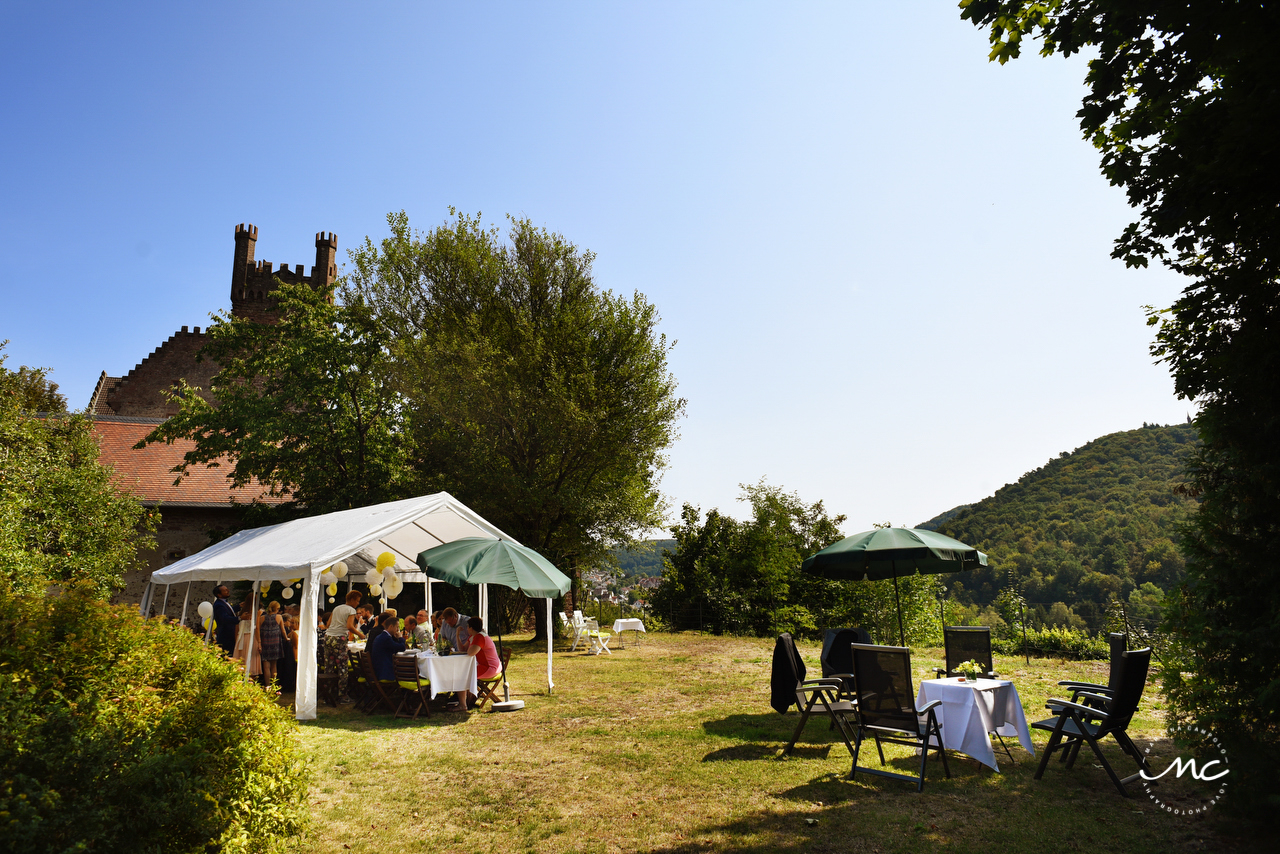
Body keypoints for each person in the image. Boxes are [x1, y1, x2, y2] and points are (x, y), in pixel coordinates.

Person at [323, 590, 364, 704]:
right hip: (339, 638)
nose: (357, 603)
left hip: (328, 637)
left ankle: (328, 694)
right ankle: (343, 696)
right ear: (352, 599)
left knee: (329, 667)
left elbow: (328, 624)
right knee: (342, 668)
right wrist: (360, 634)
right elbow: (349, 626)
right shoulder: (351, 610)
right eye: (357, 601)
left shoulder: (337, 608)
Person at [457, 616, 502, 710]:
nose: (467, 628)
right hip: (489, 666)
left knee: (461, 675)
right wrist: (457, 635)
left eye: (468, 627)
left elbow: (470, 652)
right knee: (462, 673)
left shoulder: (479, 637)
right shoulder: (474, 636)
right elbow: (462, 649)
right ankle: (465, 700)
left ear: (471, 628)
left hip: (490, 668)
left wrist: (470, 644)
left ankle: (463, 704)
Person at [367, 612, 406, 682]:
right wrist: (401, 638)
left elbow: (394, 648)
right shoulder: (386, 638)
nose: (397, 630)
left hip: (378, 669)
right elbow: (402, 648)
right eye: (397, 627)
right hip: (385, 672)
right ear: (391, 626)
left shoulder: (381, 636)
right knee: (408, 670)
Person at [257, 600, 286, 689]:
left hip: (265, 642)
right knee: (274, 665)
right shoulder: (279, 617)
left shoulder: (262, 618)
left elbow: (257, 630)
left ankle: (267, 685)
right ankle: (274, 685)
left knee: (266, 666)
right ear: (277, 608)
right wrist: (286, 638)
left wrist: (259, 642)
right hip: (275, 642)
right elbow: (283, 630)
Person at [232, 595, 261, 678]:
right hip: (251, 638)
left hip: (240, 638)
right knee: (251, 663)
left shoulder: (240, 613)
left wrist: (236, 641)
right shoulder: (256, 612)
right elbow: (257, 628)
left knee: (241, 663)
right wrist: (259, 642)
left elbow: (236, 629)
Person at [212, 584, 238, 655]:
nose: (228, 591)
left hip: (230, 636)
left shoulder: (223, 602)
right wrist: (239, 618)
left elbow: (229, 611)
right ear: (219, 595)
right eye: (225, 590)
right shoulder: (219, 605)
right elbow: (225, 618)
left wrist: (238, 607)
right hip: (226, 636)